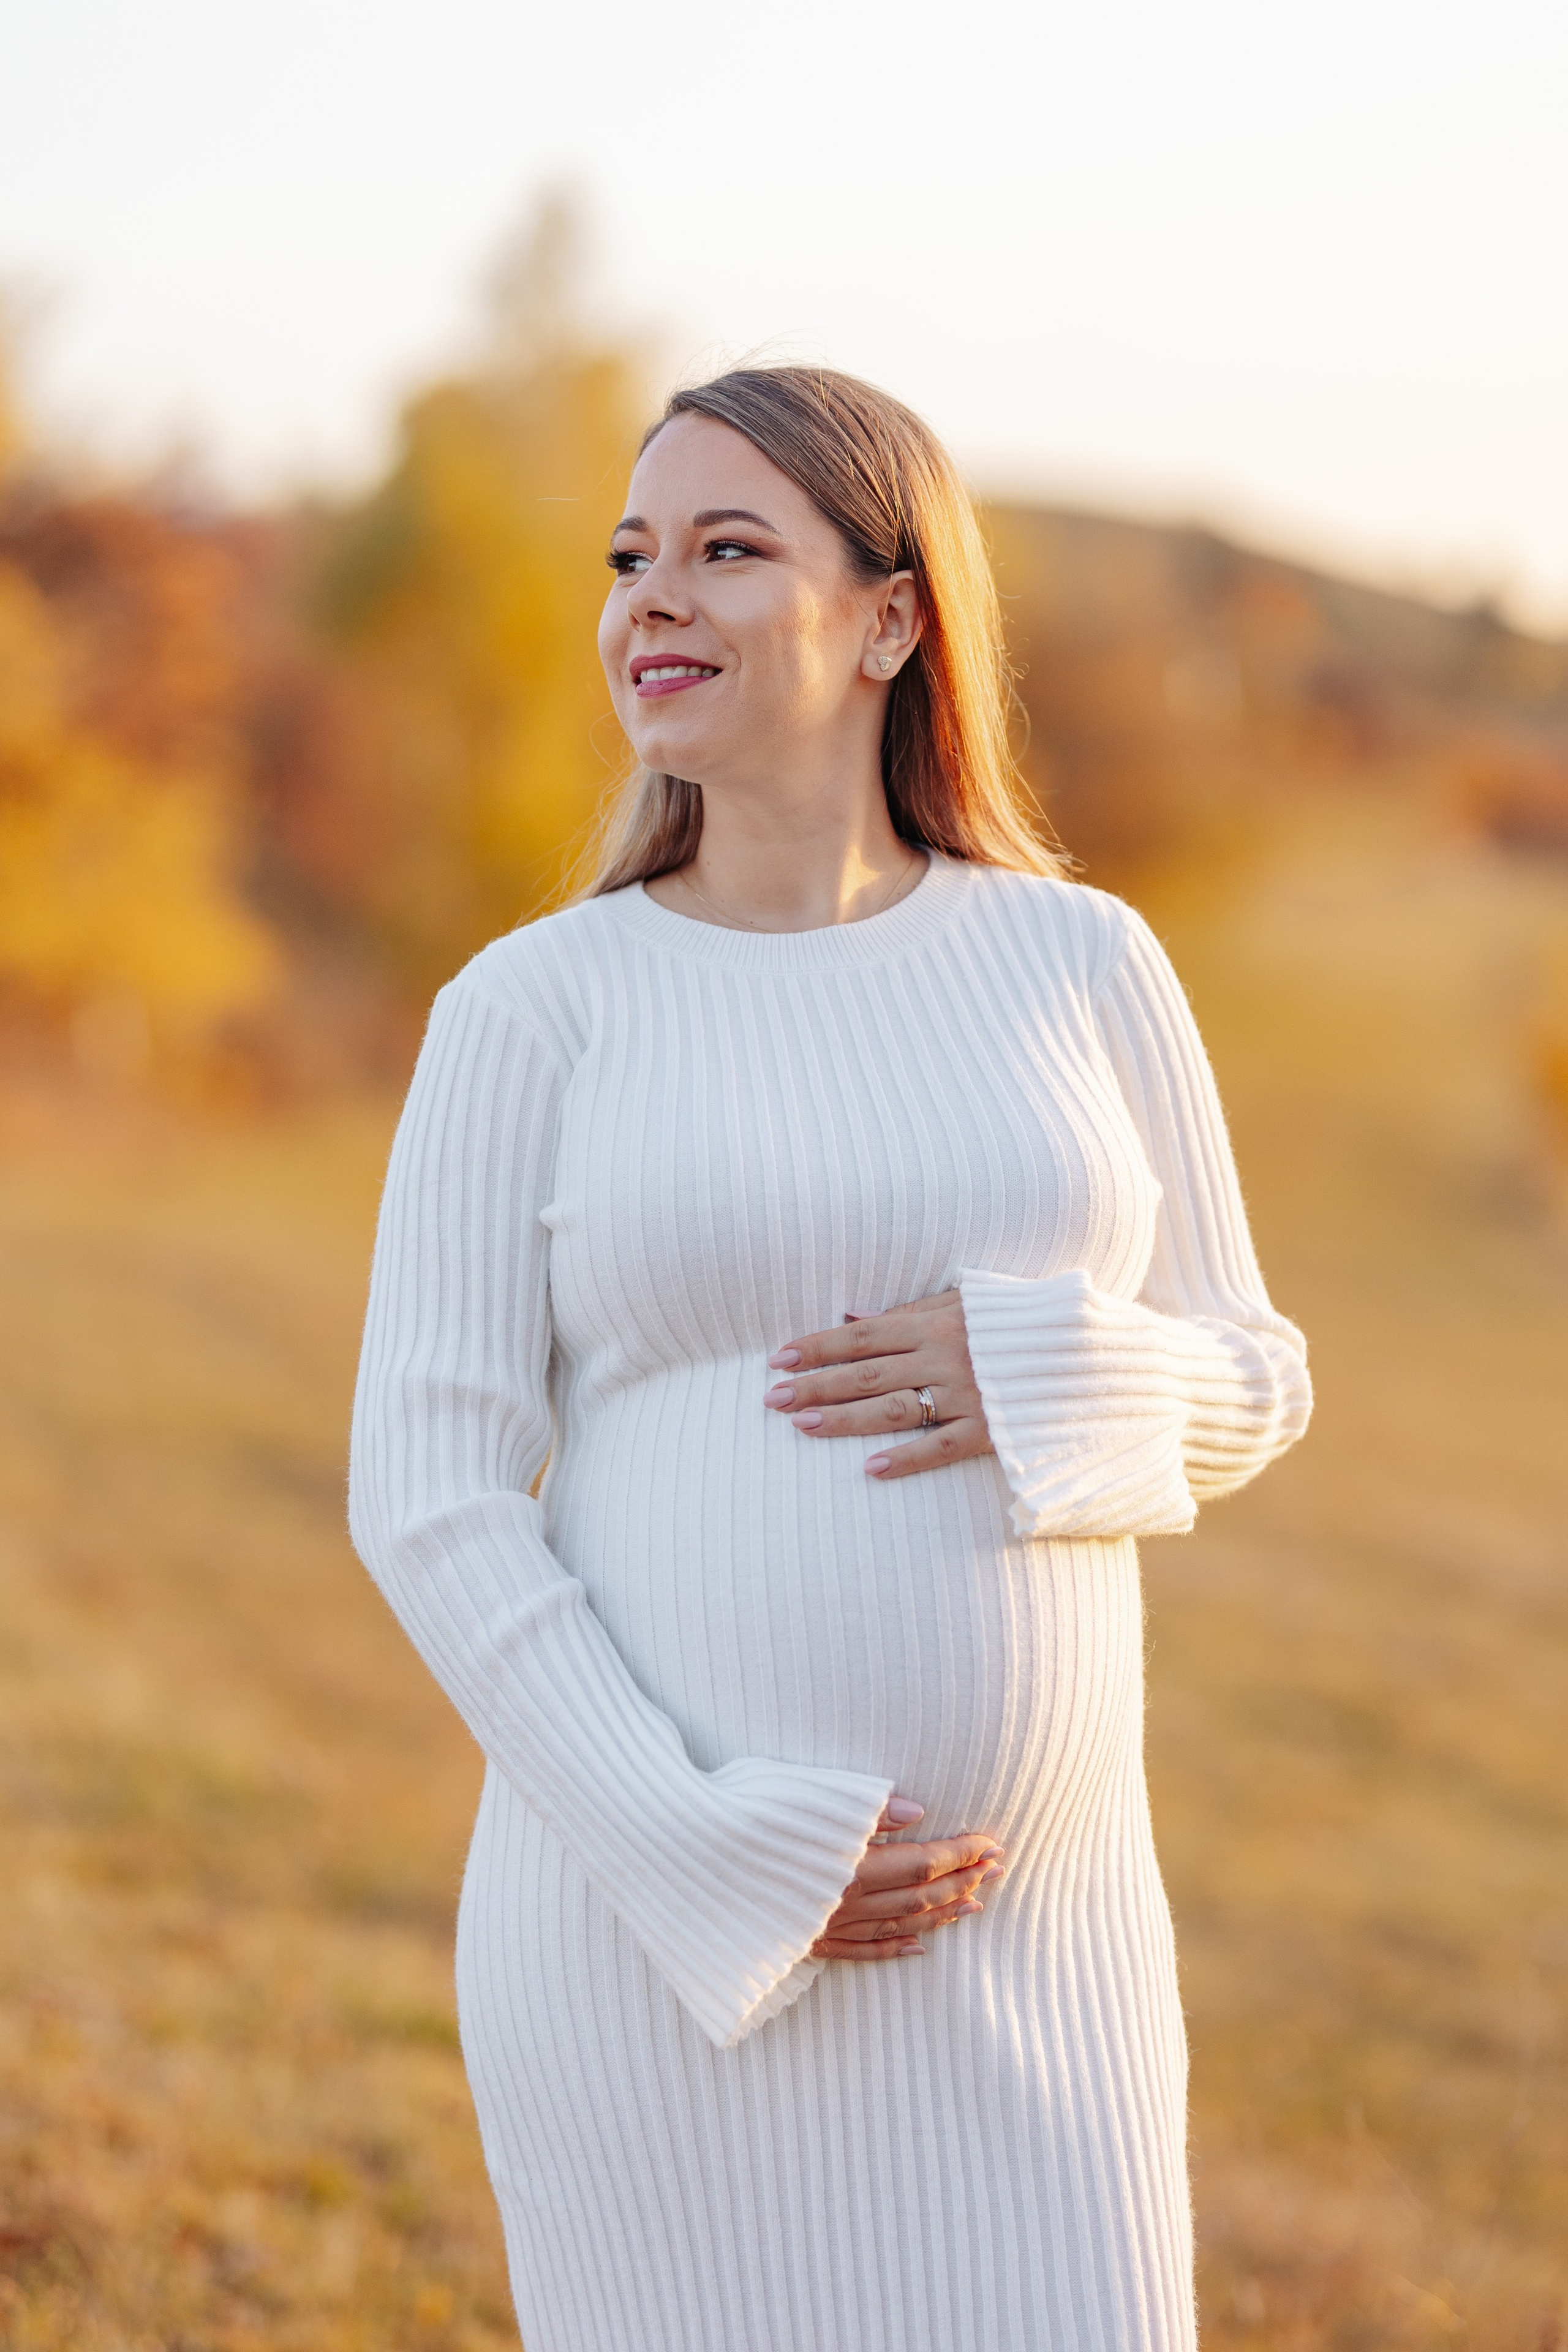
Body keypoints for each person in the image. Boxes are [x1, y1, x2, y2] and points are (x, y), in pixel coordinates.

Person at [349, 364, 1312, 2352]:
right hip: (659, 1939)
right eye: (632, 559)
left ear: (892, 618)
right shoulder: (536, 1008)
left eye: (726, 549)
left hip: (1045, 1958)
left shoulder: (1084, 964)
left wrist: (1053, 1372)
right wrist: (703, 1845)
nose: (651, 602)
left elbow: (1255, 1368)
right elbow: (428, 1497)